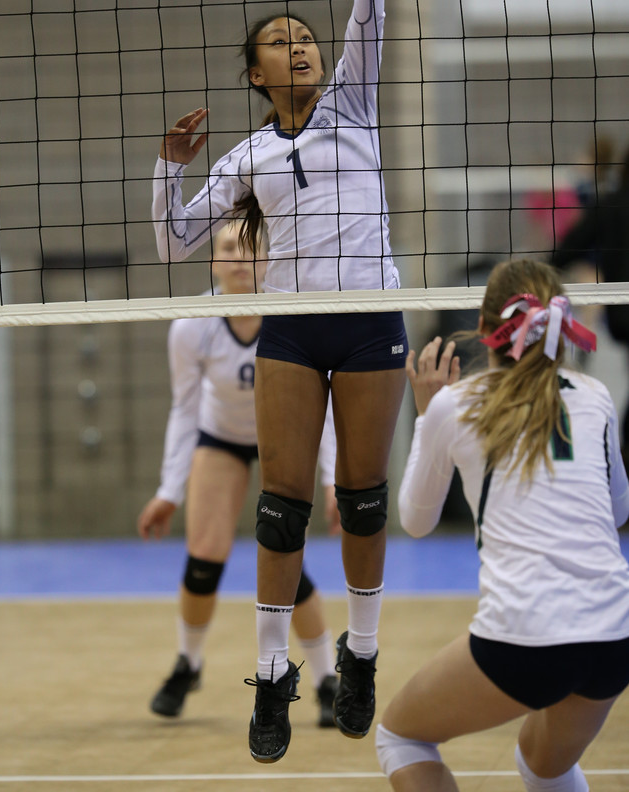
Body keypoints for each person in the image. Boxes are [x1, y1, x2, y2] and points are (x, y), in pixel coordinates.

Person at [152, 0, 407, 764]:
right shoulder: (247, 155)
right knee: (281, 510)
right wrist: (169, 167)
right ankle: (269, 677)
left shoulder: (353, 102)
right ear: (254, 73)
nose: (299, 46)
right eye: (279, 41)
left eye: (305, 37)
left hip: (370, 317)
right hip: (293, 327)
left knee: (362, 503)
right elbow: (175, 243)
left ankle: (361, 657)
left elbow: (370, 12)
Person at [376, 259, 629, 792]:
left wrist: (426, 416)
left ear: (484, 327)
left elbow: (415, 523)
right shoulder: (595, 397)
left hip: (525, 637)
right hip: (613, 635)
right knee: (544, 767)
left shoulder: (455, 404)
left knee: (401, 738)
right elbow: (619, 513)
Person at [138, 220, 340, 727]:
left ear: (269, 260)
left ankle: (326, 680)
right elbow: (184, 409)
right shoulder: (194, 324)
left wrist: (333, 480)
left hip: (281, 436)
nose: (239, 257)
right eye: (228, 247)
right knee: (203, 559)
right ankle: (188, 664)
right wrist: (169, 490)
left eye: (251, 248)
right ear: (213, 261)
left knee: (285, 556)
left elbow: (324, 406)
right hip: (221, 437)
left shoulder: (289, 315)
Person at [553, 144, 629, 459]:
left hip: (621, 316)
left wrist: (540, 271)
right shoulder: (604, 201)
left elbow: (565, 251)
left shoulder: (609, 203)